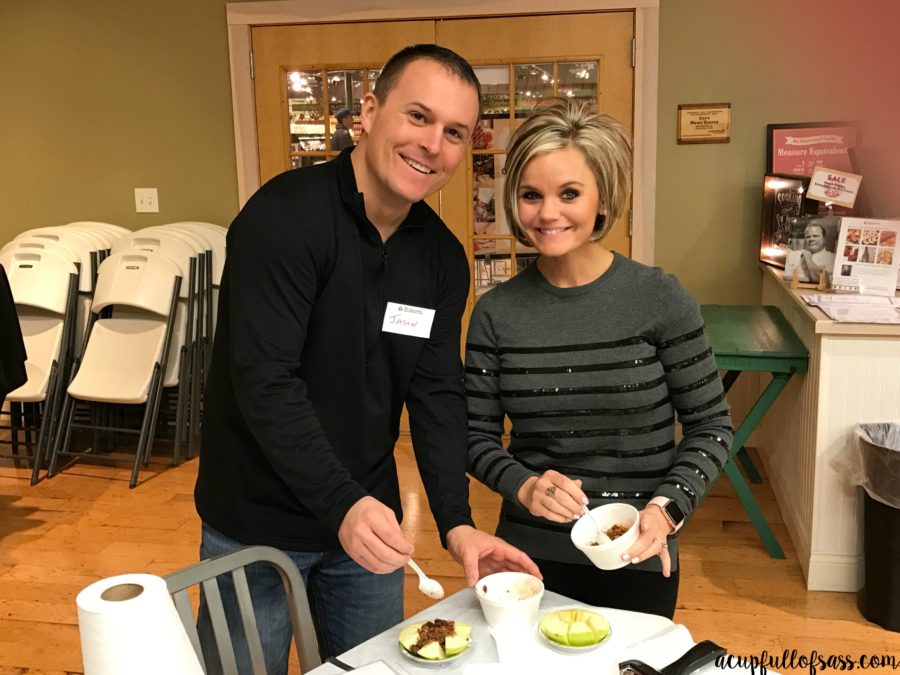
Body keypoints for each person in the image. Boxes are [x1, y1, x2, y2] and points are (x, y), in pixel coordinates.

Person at [194, 44, 540, 673]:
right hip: (254, 526)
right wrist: (341, 503)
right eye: (418, 117)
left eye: (455, 133)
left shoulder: (439, 258)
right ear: (371, 111)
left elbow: (435, 397)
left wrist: (455, 524)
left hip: (367, 529)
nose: (433, 144)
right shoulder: (284, 218)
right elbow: (264, 380)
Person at [465, 99, 733, 619]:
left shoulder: (660, 298)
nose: (548, 213)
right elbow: (473, 438)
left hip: (636, 549)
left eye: (569, 193)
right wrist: (522, 485)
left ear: (603, 198)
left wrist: (666, 510)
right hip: (529, 557)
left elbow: (711, 425)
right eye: (530, 195)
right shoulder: (495, 313)